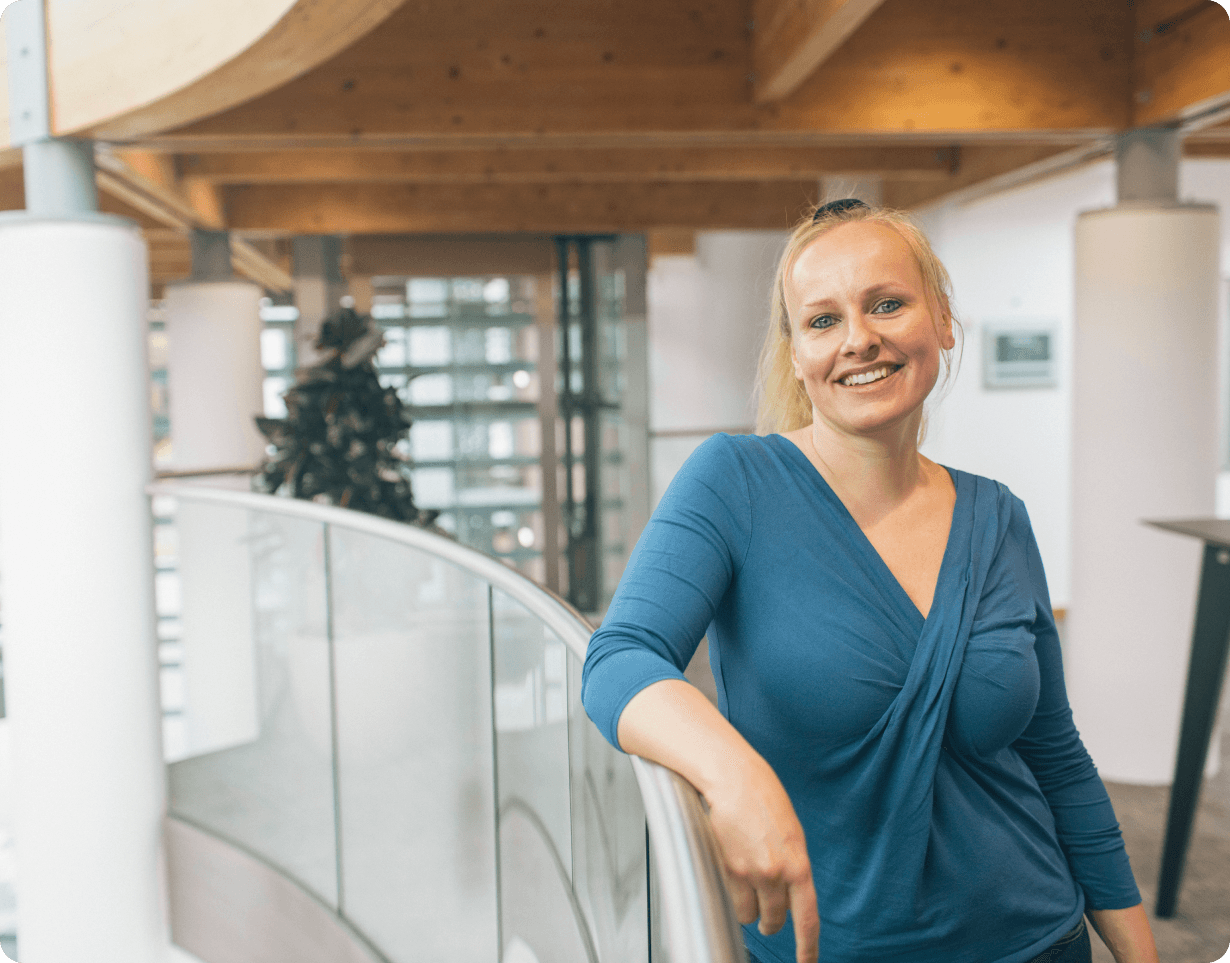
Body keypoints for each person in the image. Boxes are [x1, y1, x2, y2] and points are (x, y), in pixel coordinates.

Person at [581, 200, 1160, 963]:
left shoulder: (997, 516)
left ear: (943, 321)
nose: (860, 338)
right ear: (795, 354)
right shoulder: (736, 482)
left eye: (887, 303)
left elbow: (1055, 754)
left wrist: (1140, 953)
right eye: (822, 321)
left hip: (1036, 938)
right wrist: (734, 776)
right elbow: (619, 658)